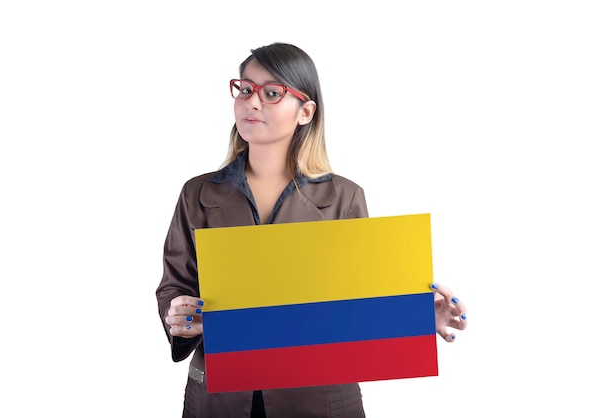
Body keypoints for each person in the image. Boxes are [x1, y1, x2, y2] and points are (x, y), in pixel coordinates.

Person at [155, 42, 468, 418]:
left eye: (272, 93)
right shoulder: (199, 193)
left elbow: (357, 306)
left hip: (317, 400)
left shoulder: (344, 197)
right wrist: (179, 317)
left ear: (305, 111)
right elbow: (175, 286)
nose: (252, 103)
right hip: (219, 399)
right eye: (245, 89)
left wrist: (416, 320)